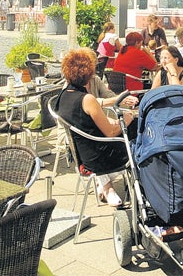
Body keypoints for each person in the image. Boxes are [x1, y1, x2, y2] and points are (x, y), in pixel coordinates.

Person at [56, 48, 135, 207]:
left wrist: (110, 123)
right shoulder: (87, 99)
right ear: (89, 74)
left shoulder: (63, 96)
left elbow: (85, 123)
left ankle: (107, 187)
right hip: (98, 158)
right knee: (137, 139)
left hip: (82, 152)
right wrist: (128, 118)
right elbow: (111, 132)